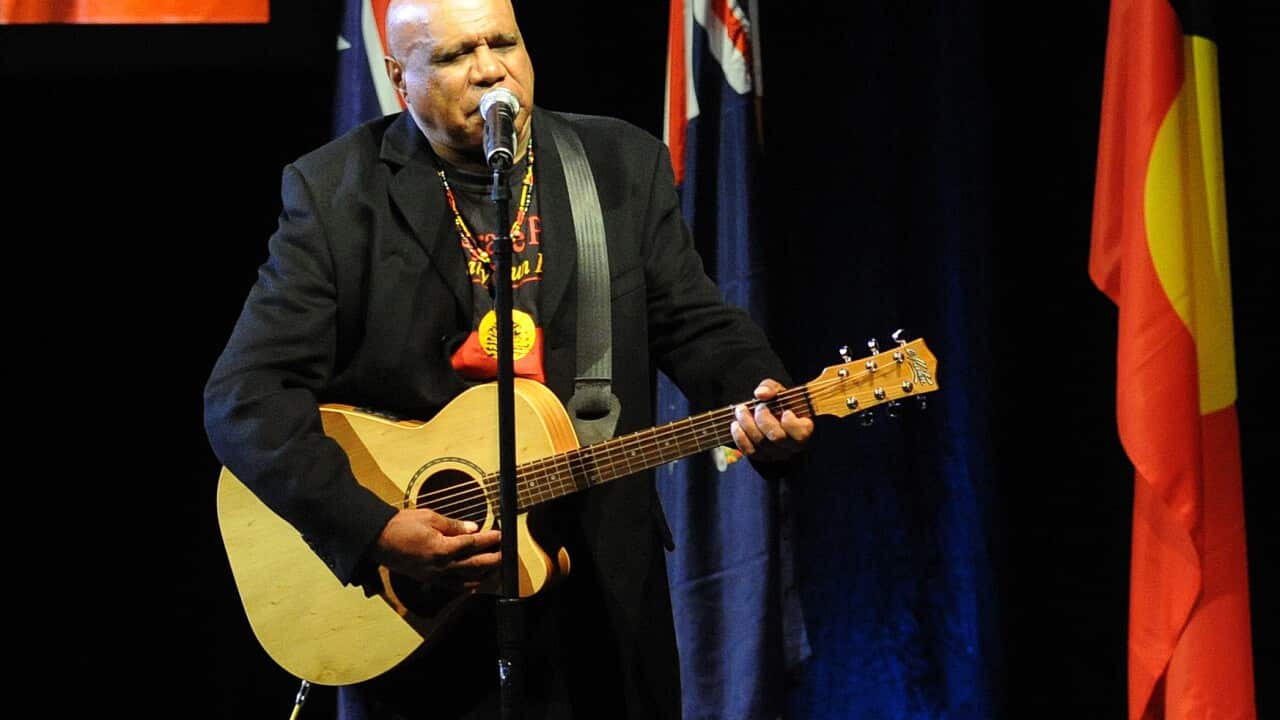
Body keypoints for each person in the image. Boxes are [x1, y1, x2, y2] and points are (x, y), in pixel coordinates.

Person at [202, 0, 813, 717]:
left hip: (600, 601)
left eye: (505, 42)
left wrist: (758, 386)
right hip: (417, 620)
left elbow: (694, 321)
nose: (492, 70)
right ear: (401, 77)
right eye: (458, 55)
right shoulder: (336, 193)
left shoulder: (618, 164)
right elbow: (246, 396)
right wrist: (372, 528)